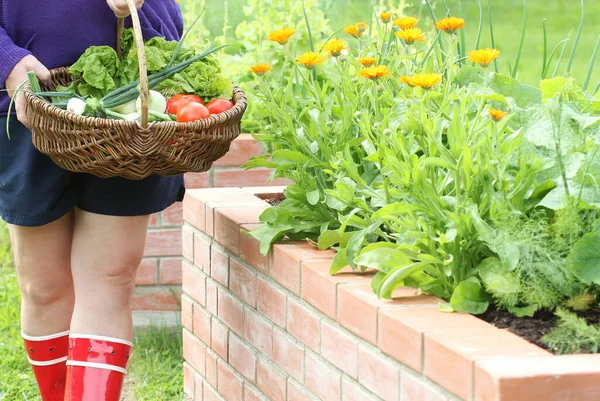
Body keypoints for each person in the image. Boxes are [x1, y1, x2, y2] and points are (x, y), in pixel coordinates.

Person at [0, 1, 186, 400]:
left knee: (111, 277)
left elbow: (164, 18)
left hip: (130, 111)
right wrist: (6, 61)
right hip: (27, 103)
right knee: (43, 287)